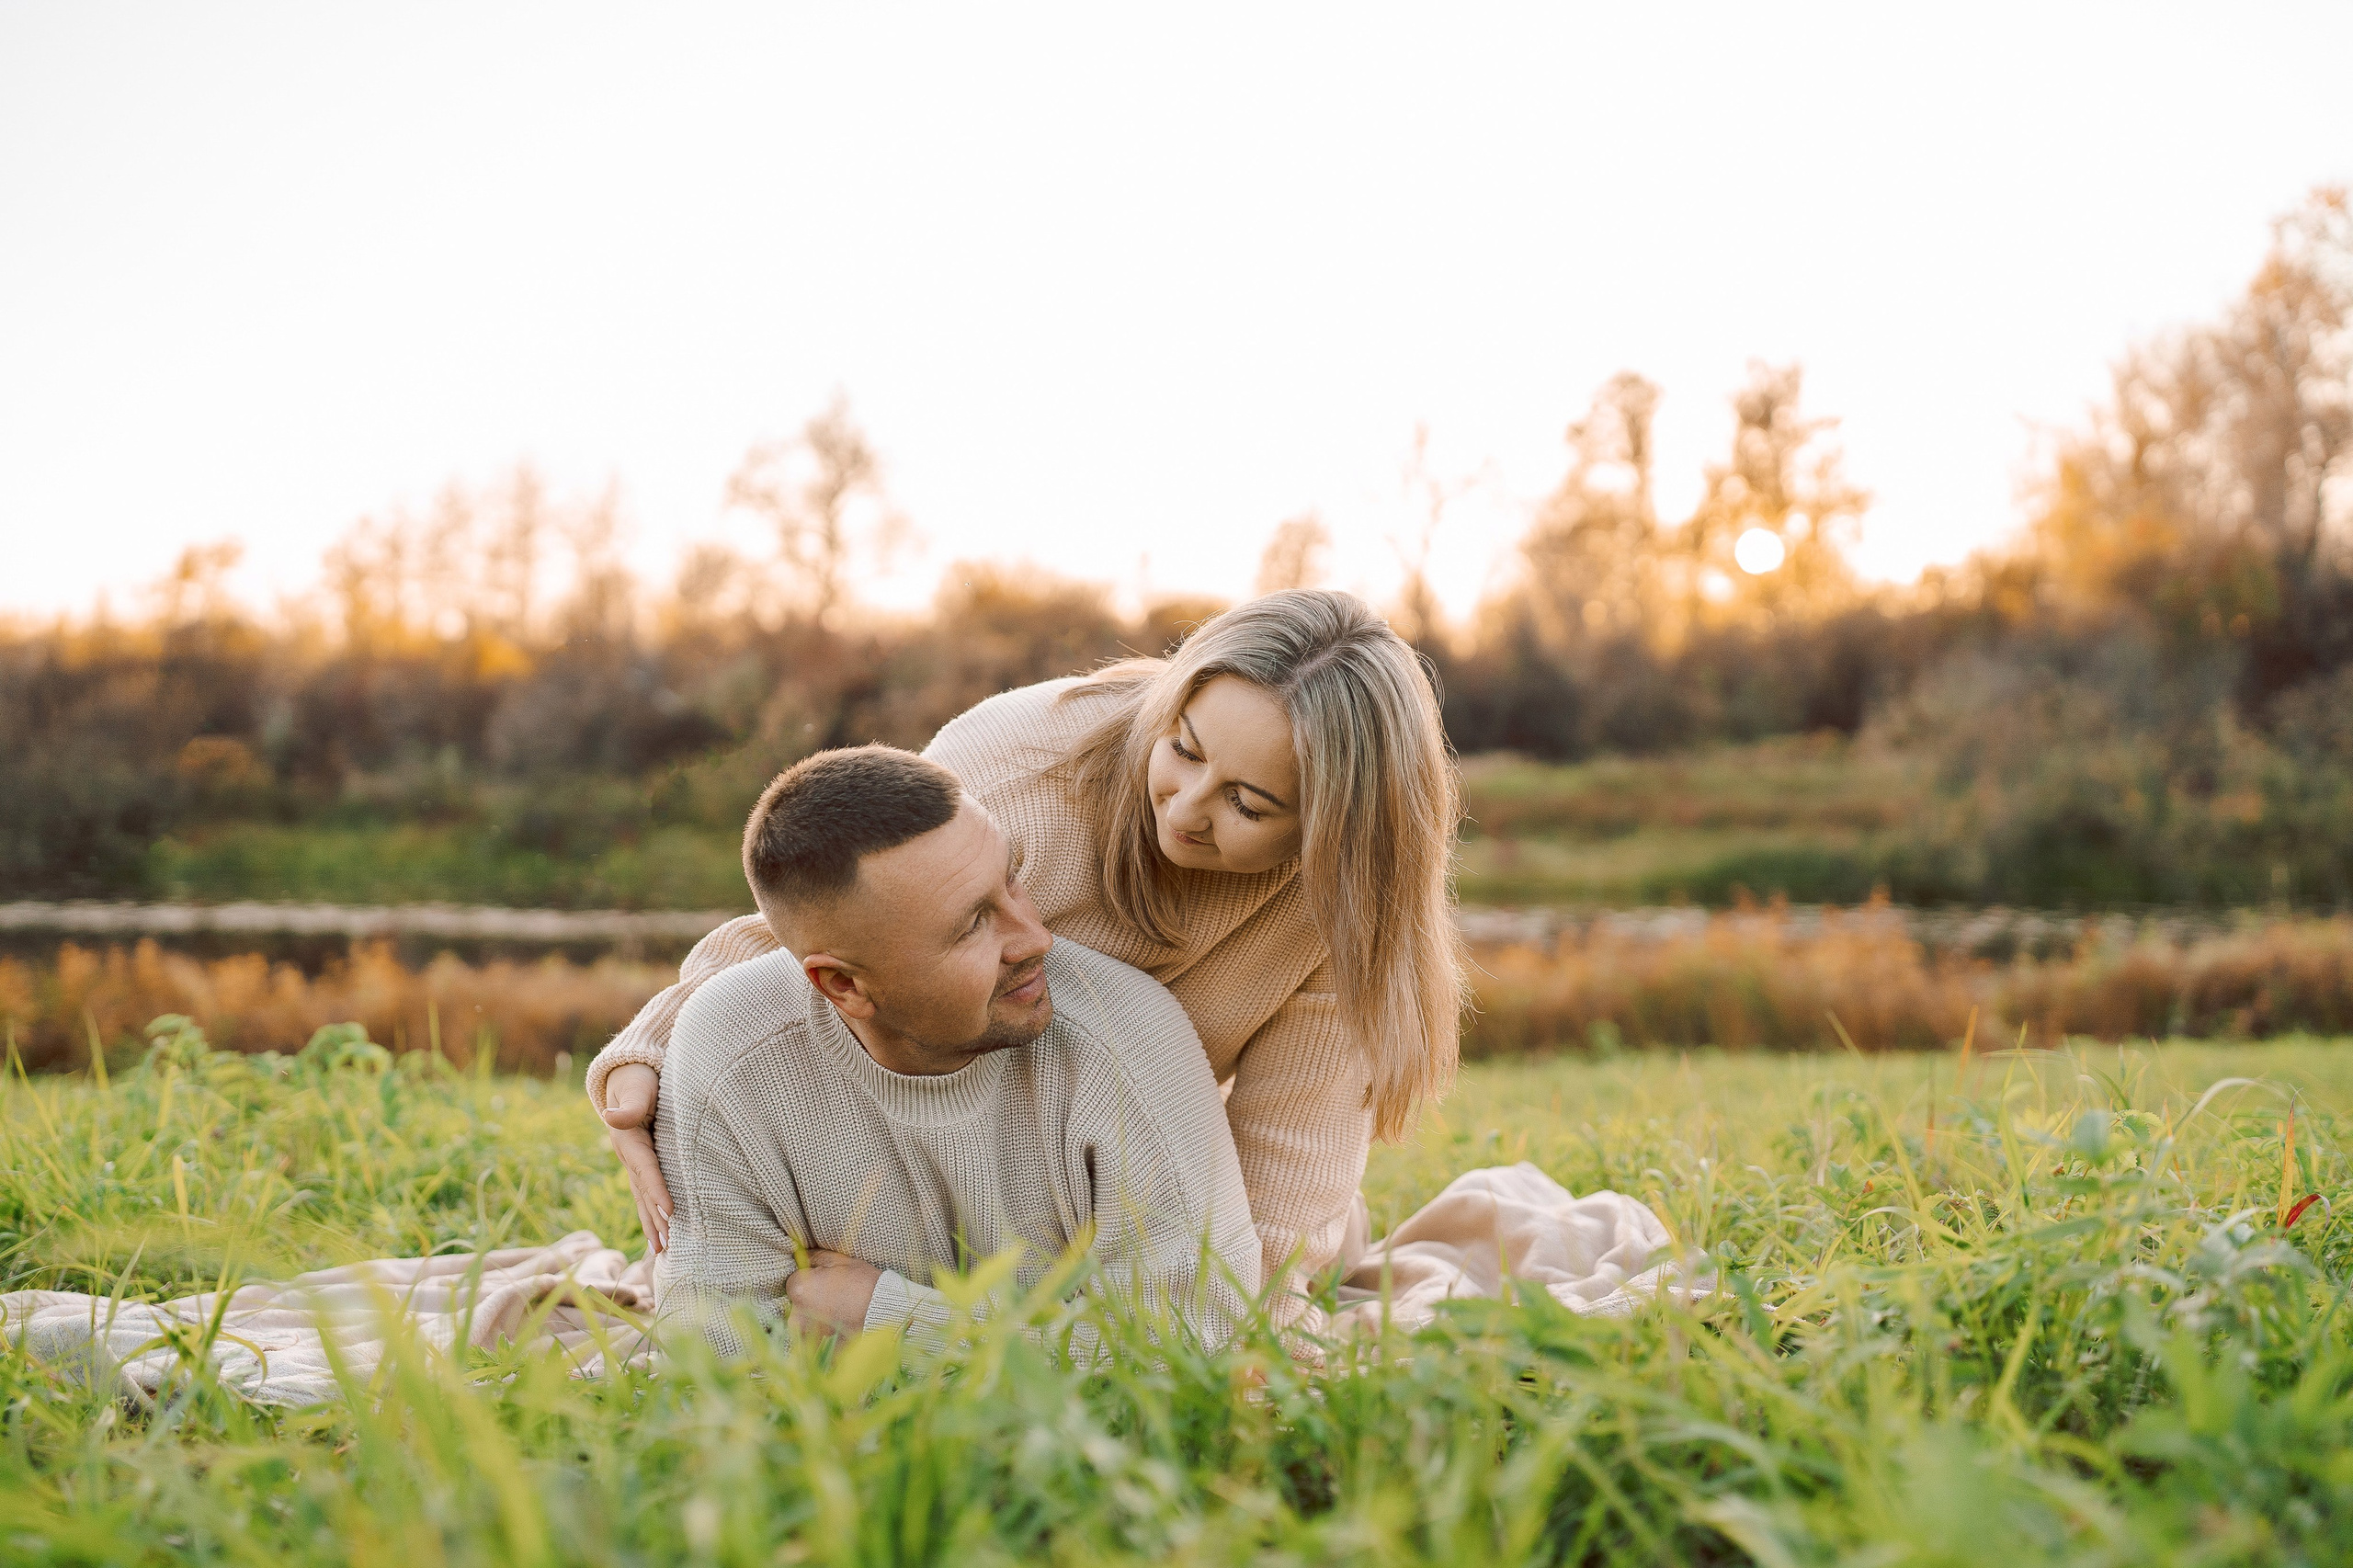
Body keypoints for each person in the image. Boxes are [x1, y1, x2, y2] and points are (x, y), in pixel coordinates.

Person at [592, 590, 1464, 1318]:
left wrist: (1236, 1322)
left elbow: (1271, 1199)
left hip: (1155, 1179)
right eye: (1184, 750)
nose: (1186, 809)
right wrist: (664, 1043)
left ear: (1336, 829)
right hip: (990, 1160)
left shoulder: (1339, 928)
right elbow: (844, 913)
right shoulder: (1023, 762)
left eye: (1247, 801)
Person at [654, 744, 1259, 1358]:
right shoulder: (729, 1047)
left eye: (1012, 878)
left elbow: (1196, 1337)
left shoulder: (1131, 1032)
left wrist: (895, 1321)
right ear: (843, 985)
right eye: (973, 923)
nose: (1035, 936)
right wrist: (1048, 1344)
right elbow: (716, 1353)